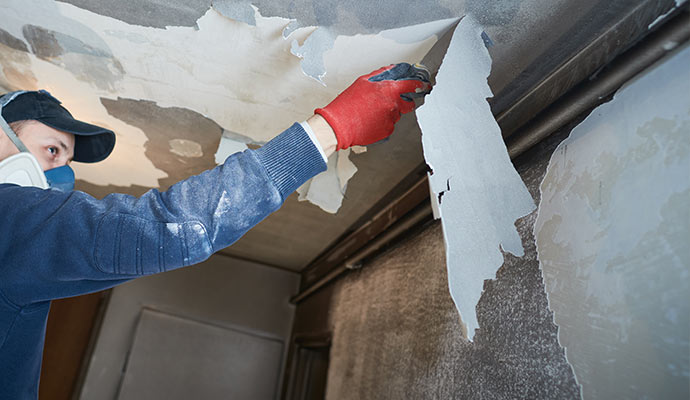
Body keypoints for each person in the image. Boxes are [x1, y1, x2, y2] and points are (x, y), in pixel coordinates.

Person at [0, 63, 430, 398]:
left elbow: (131, 251)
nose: (62, 179)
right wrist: (330, 131)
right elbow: (169, 230)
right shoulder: (9, 217)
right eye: (52, 151)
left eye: (67, 163)